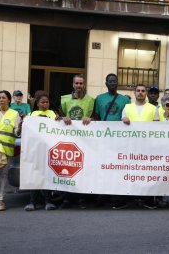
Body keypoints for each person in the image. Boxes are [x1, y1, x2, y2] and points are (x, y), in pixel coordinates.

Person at [94, 73, 130, 209]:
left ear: (117, 83)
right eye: (110, 81)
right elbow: (96, 117)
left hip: (119, 139)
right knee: (103, 167)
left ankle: (117, 196)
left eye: (115, 81)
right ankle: (103, 195)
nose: (113, 83)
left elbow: (127, 117)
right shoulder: (99, 99)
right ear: (106, 83)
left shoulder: (125, 100)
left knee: (117, 167)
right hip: (104, 139)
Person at [122, 84, 158, 209]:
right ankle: (130, 198)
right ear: (134, 92)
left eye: (143, 91)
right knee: (131, 172)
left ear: (146, 93)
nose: (141, 93)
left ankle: (147, 199)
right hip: (131, 146)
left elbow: (158, 127)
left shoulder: (153, 108)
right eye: (138, 91)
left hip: (147, 146)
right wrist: (124, 119)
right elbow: (123, 120)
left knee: (146, 173)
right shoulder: (127, 107)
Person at [60, 74, 94, 208]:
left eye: (81, 83)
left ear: (84, 85)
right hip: (68, 139)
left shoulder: (91, 100)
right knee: (68, 169)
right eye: (77, 83)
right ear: (73, 85)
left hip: (84, 140)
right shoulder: (64, 99)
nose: (79, 86)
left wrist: (91, 119)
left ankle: (81, 198)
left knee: (83, 169)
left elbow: (95, 117)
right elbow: (59, 116)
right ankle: (67, 198)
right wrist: (63, 118)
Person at [24, 92, 58, 211]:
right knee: (34, 176)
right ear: (37, 103)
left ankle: (48, 202)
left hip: (48, 150)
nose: (45, 104)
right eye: (42, 102)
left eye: (47, 102)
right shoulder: (32, 114)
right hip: (35, 150)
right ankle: (32, 202)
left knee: (47, 176)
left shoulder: (53, 114)